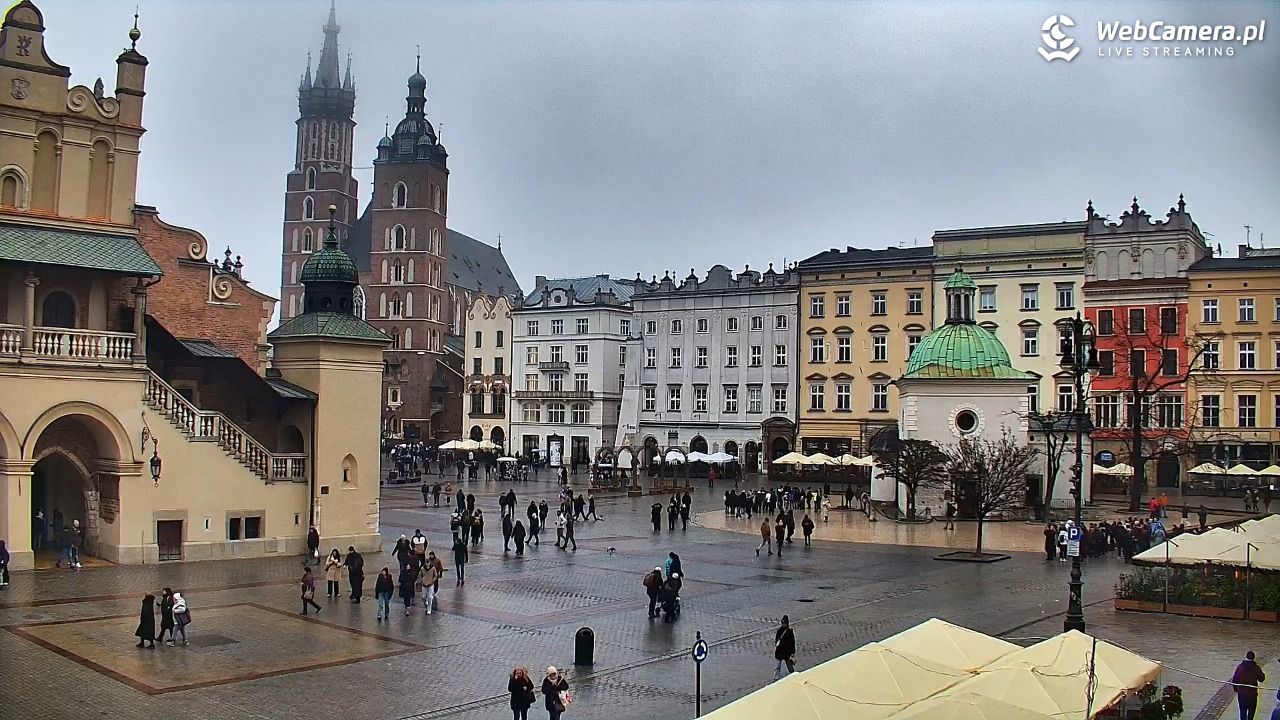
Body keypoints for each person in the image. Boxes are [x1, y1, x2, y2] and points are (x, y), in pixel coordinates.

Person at [1232, 650, 1267, 720]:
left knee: (1242, 712)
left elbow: (1234, 680)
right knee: (1251, 712)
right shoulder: (1256, 668)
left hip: (1242, 694)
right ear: (1253, 658)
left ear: (1246, 657)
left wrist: (1237, 690)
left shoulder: (1240, 667)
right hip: (1252, 695)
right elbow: (1261, 679)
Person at [774, 615, 796, 679]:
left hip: (786, 652)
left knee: (789, 665)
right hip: (780, 651)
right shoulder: (780, 631)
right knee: (778, 666)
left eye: (785, 623)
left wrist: (792, 652)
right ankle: (776, 677)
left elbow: (792, 642)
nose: (784, 624)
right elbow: (776, 640)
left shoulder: (790, 632)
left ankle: (793, 674)